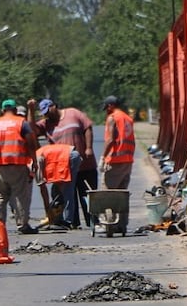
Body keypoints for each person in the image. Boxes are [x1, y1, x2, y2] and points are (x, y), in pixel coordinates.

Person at [27, 98, 97, 228]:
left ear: (54, 106)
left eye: (48, 111)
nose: (47, 114)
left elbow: (88, 128)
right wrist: (30, 110)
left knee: (88, 195)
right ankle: (72, 222)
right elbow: (30, 130)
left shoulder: (73, 113)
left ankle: (92, 223)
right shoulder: (45, 124)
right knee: (65, 194)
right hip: (62, 165)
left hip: (85, 164)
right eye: (44, 113)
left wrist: (88, 147)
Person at [0, 98, 39, 234]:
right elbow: (31, 143)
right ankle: (22, 225)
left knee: (0, 197)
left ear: (3, 110)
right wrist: (34, 161)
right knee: (19, 195)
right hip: (17, 164)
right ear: (15, 110)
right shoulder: (21, 123)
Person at [99, 95, 136, 231]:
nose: (106, 111)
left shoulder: (113, 118)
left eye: (107, 108)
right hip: (127, 160)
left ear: (110, 106)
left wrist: (103, 157)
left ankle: (109, 224)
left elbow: (110, 140)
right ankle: (122, 225)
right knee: (122, 193)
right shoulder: (127, 118)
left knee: (108, 192)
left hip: (115, 160)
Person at [34, 143, 82, 229]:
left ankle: (68, 222)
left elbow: (43, 189)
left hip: (70, 157)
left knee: (67, 190)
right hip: (64, 157)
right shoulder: (35, 157)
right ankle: (58, 218)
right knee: (56, 191)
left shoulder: (34, 163)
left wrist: (47, 210)